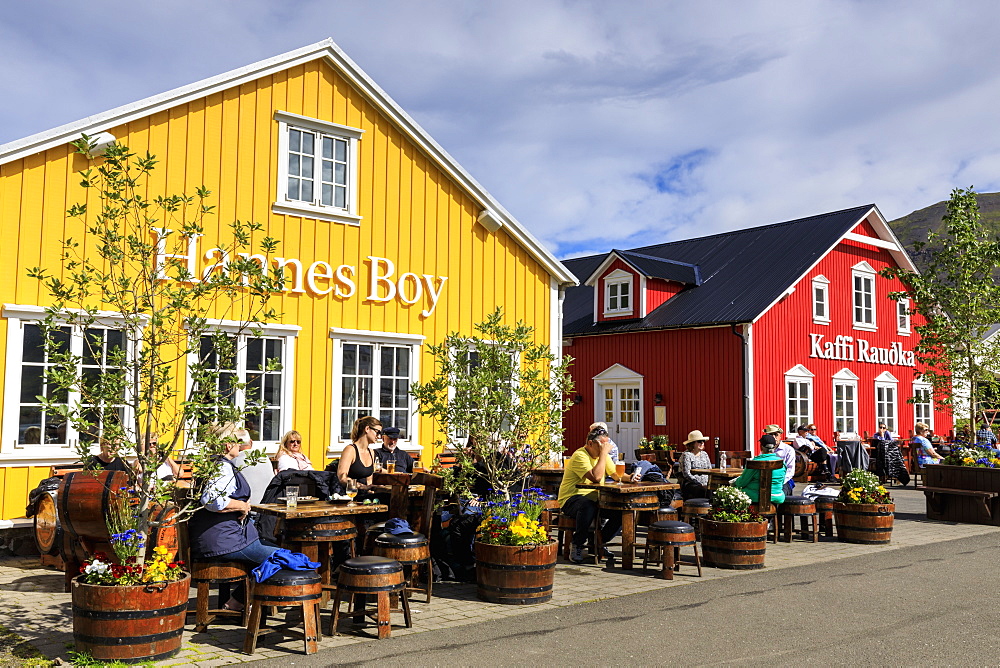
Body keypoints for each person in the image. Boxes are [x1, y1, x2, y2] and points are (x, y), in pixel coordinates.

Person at [188, 423, 279, 610]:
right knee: (284, 558)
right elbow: (212, 499)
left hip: (219, 538)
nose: (240, 445)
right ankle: (242, 602)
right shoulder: (222, 467)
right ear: (228, 446)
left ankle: (240, 600)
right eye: (237, 442)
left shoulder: (212, 464)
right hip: (224, 541)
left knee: (275, 552)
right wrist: (242, 505)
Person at [558, 426, 640, 564]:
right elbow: (596, 477)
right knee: (588, 506)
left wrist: (630, 477)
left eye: (606, 445)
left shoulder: (603, 457)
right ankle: (577, 544)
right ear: (590, 443)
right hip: (571, 499)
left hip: (596, 499)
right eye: (602, 445)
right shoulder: (580, 455)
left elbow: (615, 474)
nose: (605, 448)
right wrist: (603, 454)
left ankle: (599, 541)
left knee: (623, 511)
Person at [731, 440, 786, 505]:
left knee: (731, 492)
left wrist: (734, 482)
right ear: (774, 447)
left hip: (756, 496)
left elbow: (741, 483)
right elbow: (782, 481)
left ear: (761, 447)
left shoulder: (755, 462)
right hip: (778, 496)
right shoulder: (781, 463)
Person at [337, 416, 381, 486]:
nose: (379, 437)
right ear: (367, 429)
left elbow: (369, 480)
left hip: (365, 494)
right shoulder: (350, 450)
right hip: (350, 493)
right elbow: (342, 477)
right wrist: (358, 486)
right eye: (377, 432)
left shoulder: (371, 452)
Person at [677, 430, 712, 499]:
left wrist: (710, 483)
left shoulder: (705, 454)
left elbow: (710, 470)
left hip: (706, 483)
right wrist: (699, 484)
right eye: (699, 441)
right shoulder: (686, 455)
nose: (702, 443)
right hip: (691, 484)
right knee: (703, 490)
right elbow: (687, 474)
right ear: (692, 443)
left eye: (703, 441)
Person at [761, 425, 795, 495]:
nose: (773, 437)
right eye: (770, 434)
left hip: (783, 480)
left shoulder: (788, 450)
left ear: (780, 436)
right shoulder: (764, 449)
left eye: (776, 434)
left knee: (780, 494)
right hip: (766, 479)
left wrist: (778, 482)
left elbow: (790, 471)